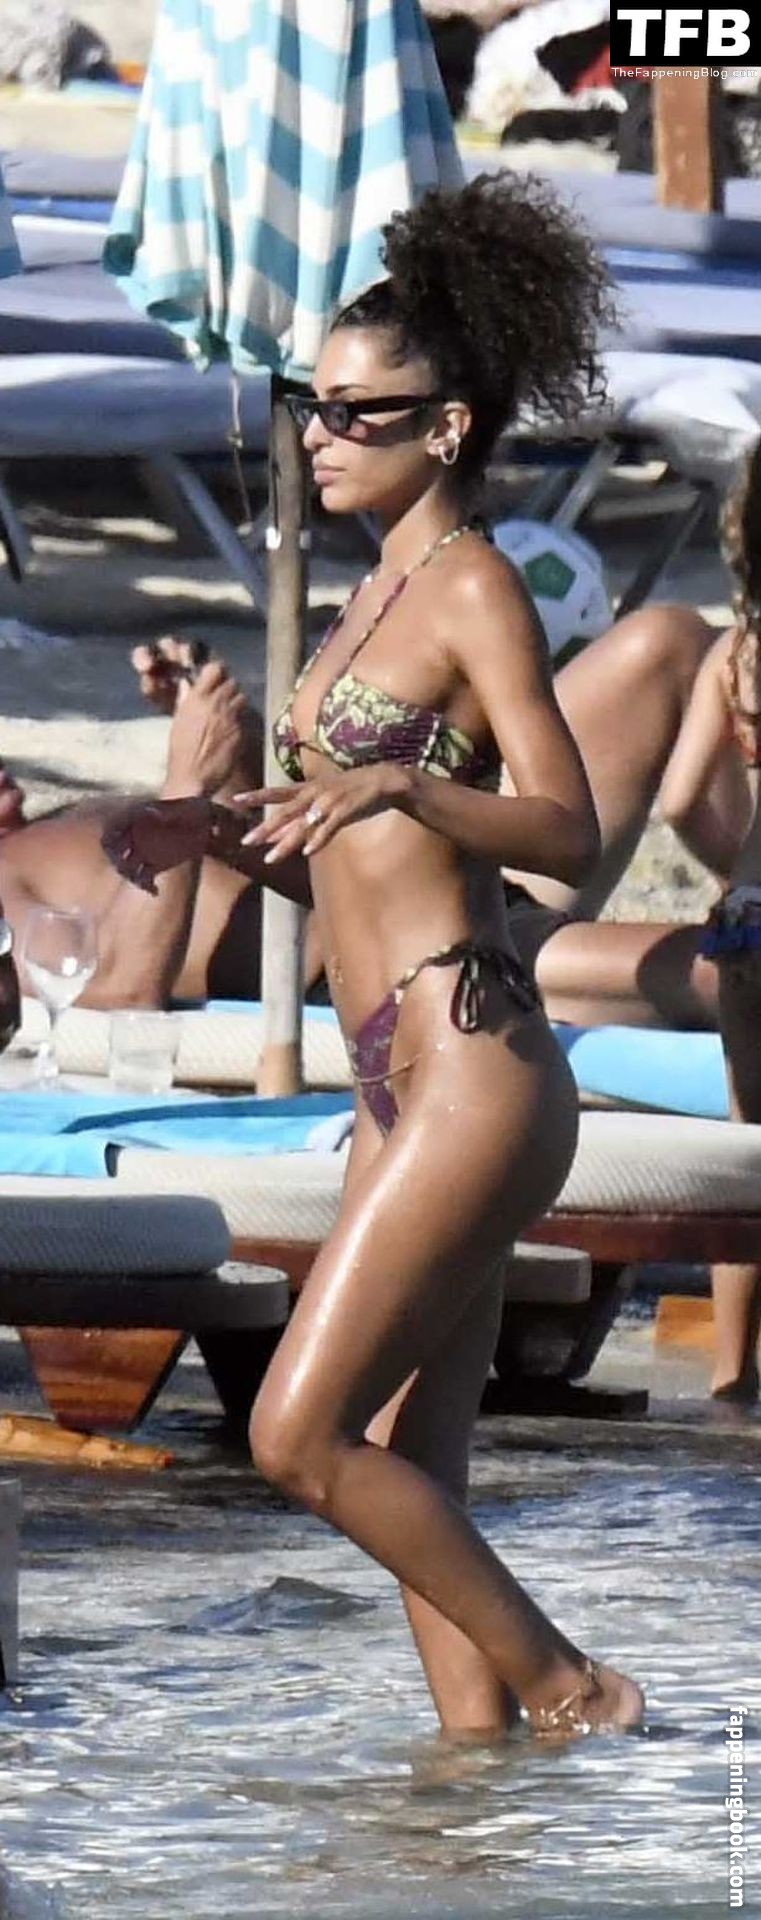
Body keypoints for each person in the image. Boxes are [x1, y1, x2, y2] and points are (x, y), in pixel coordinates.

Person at [102, 172, 644, 1740]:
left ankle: (577, 1690)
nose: (319, 436)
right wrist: (211, 830)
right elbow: (344, 863)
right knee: (408, 1462)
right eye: (309, 406)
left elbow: (566, 831)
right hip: (389, 1076)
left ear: (449, 427)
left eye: (357, 413)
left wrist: (407, 784)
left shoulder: (472, 583)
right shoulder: (369, 598)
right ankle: (474, 1800)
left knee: (296, 1434)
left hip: (471, 1064)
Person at [658, 440, 761, 1405]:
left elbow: (680, 799)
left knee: (747, 1144)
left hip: (746, 925)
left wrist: (737, 869)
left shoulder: (734, 655)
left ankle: (732, 1375)